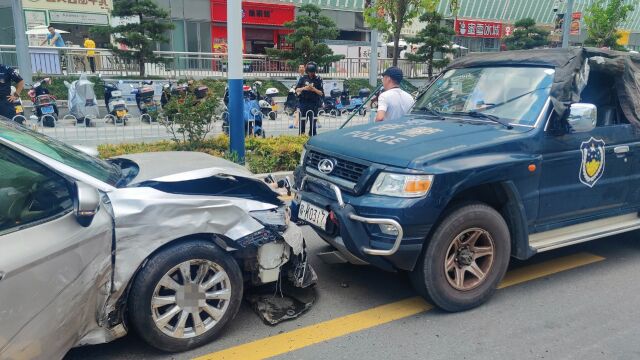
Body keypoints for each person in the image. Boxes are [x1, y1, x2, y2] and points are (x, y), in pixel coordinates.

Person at [295, 62, 324, 136]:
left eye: (313, 72)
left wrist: (313, 89)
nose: (311, 74)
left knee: (313, 122)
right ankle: (301, 135)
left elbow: (321, 93)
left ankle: (312, 135)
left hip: (314, 103)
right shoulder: (303, 78)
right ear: (307, 71)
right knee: (303, 121)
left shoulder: (318, 79)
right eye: (310, 72)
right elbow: (297, 90)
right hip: (303, 102)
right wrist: (305, 88)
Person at [289, 64, 306, 129]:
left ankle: (295, 124)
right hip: (300, 95)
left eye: (302, 67)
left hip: (305, 95)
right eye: (300, 67)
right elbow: (298, 85)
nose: (301, 68)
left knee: (300, 109)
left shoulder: (306, 77)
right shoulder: (298, 77)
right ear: (298, 69)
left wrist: (299, 91)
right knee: (299, 109)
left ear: (304, 69)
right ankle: (295, 124)